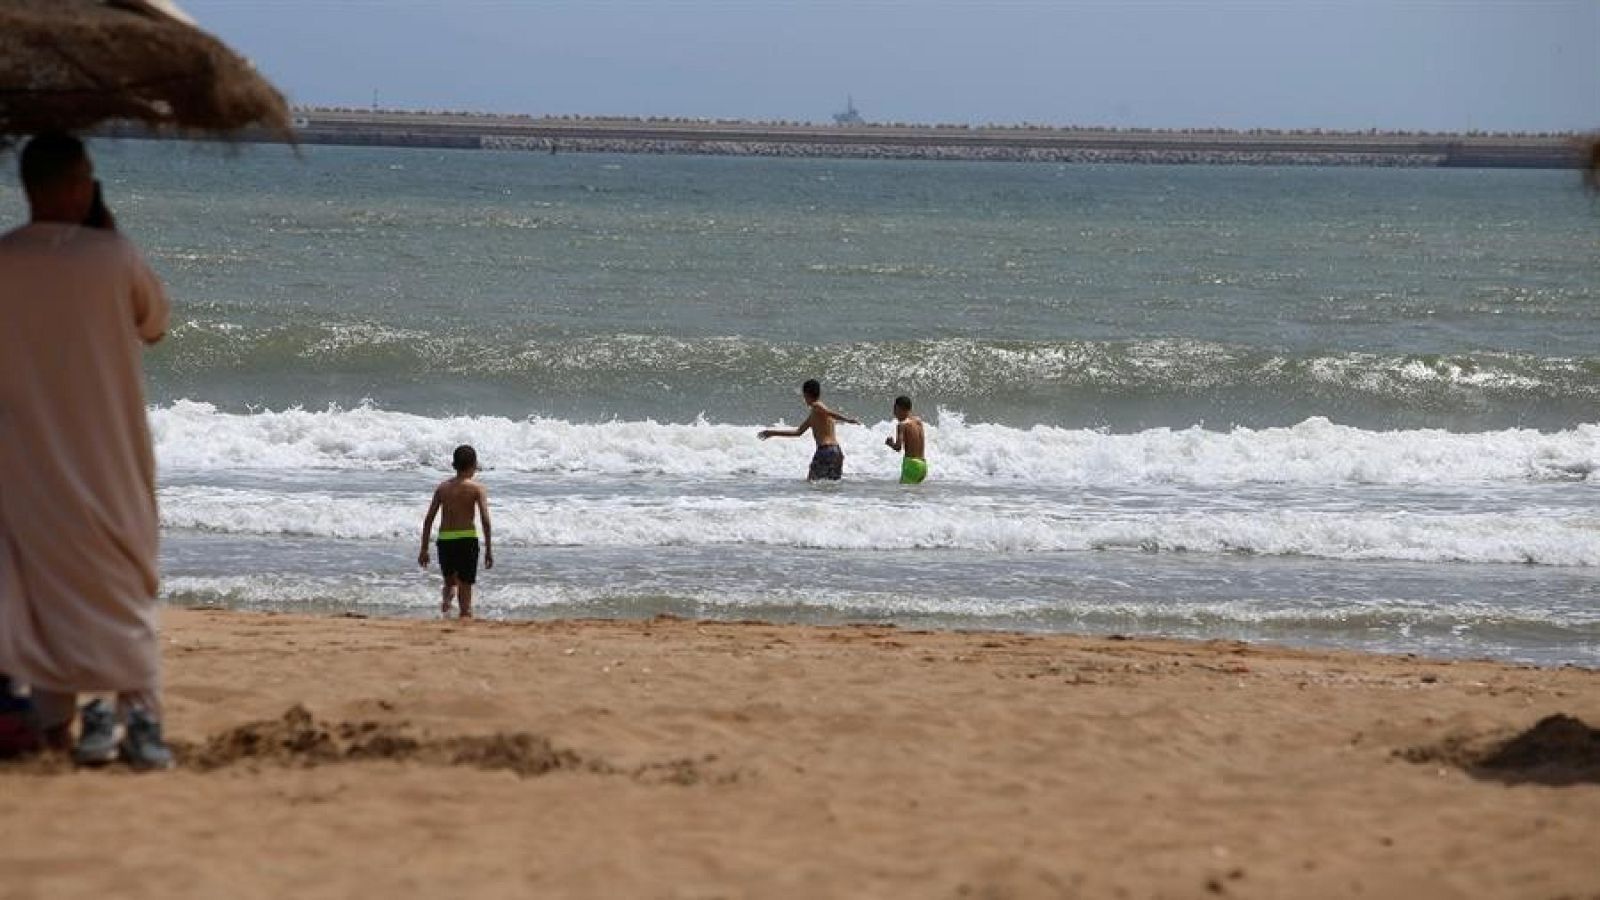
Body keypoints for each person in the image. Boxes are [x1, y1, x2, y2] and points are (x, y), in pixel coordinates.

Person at [0, 132, 174, 769]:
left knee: (42, 592)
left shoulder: (4, 258)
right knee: (121, 583)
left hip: (23, 464)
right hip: (108, 454)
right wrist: (107, 232)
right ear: (79, 185)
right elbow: (154, 323)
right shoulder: (113, 256)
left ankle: (54, 726)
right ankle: (140, 716)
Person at [419, 444, 494, 619]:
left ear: (454, 465)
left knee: (450, 580)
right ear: (474, 465)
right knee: (465, 584)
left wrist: (424, 549)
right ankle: (465, 614)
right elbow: (485, 520)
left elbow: (429, 519)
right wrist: (489, 549)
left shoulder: (443, 488)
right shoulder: (477, 488)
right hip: (467, 540)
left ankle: (447, 598)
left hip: (445, 540)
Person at [758, 379, 861, 480]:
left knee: (811, 482)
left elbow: (829, 412)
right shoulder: (815, 414)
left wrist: (847, 420)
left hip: (825, 451)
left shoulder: (817, 406)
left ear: (806, 394)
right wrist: (772, 433)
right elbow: (798, 432)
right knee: (831, 488)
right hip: (837, 452)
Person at [885, 395, 928, 484]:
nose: (894, 413)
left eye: (895, 409)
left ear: (898, 408)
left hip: (911, 465)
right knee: (914, 496)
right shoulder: (918, 421)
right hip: (923, 465)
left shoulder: (902, 425)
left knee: (904, 495)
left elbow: (898, 447)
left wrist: (890, 443)